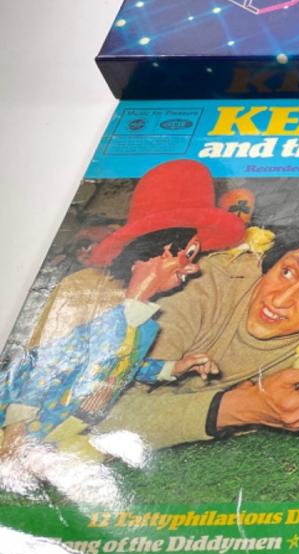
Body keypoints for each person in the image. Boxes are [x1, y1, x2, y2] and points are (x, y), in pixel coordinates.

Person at [92, 190, 299, 450]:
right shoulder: (199, 287)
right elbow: (100, 414)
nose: (279, 300)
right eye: (287, 271)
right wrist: (235, 409)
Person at [1, 159, 246, 452]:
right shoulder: (101, 315)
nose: (192, 268)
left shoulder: (143, 325)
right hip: (33, 423)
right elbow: (44, 367)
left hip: (71, 426)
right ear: (157, 252)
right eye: (186, 255)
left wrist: (173, 368)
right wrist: (17, 426)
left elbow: (125, 367)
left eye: (193, 256)